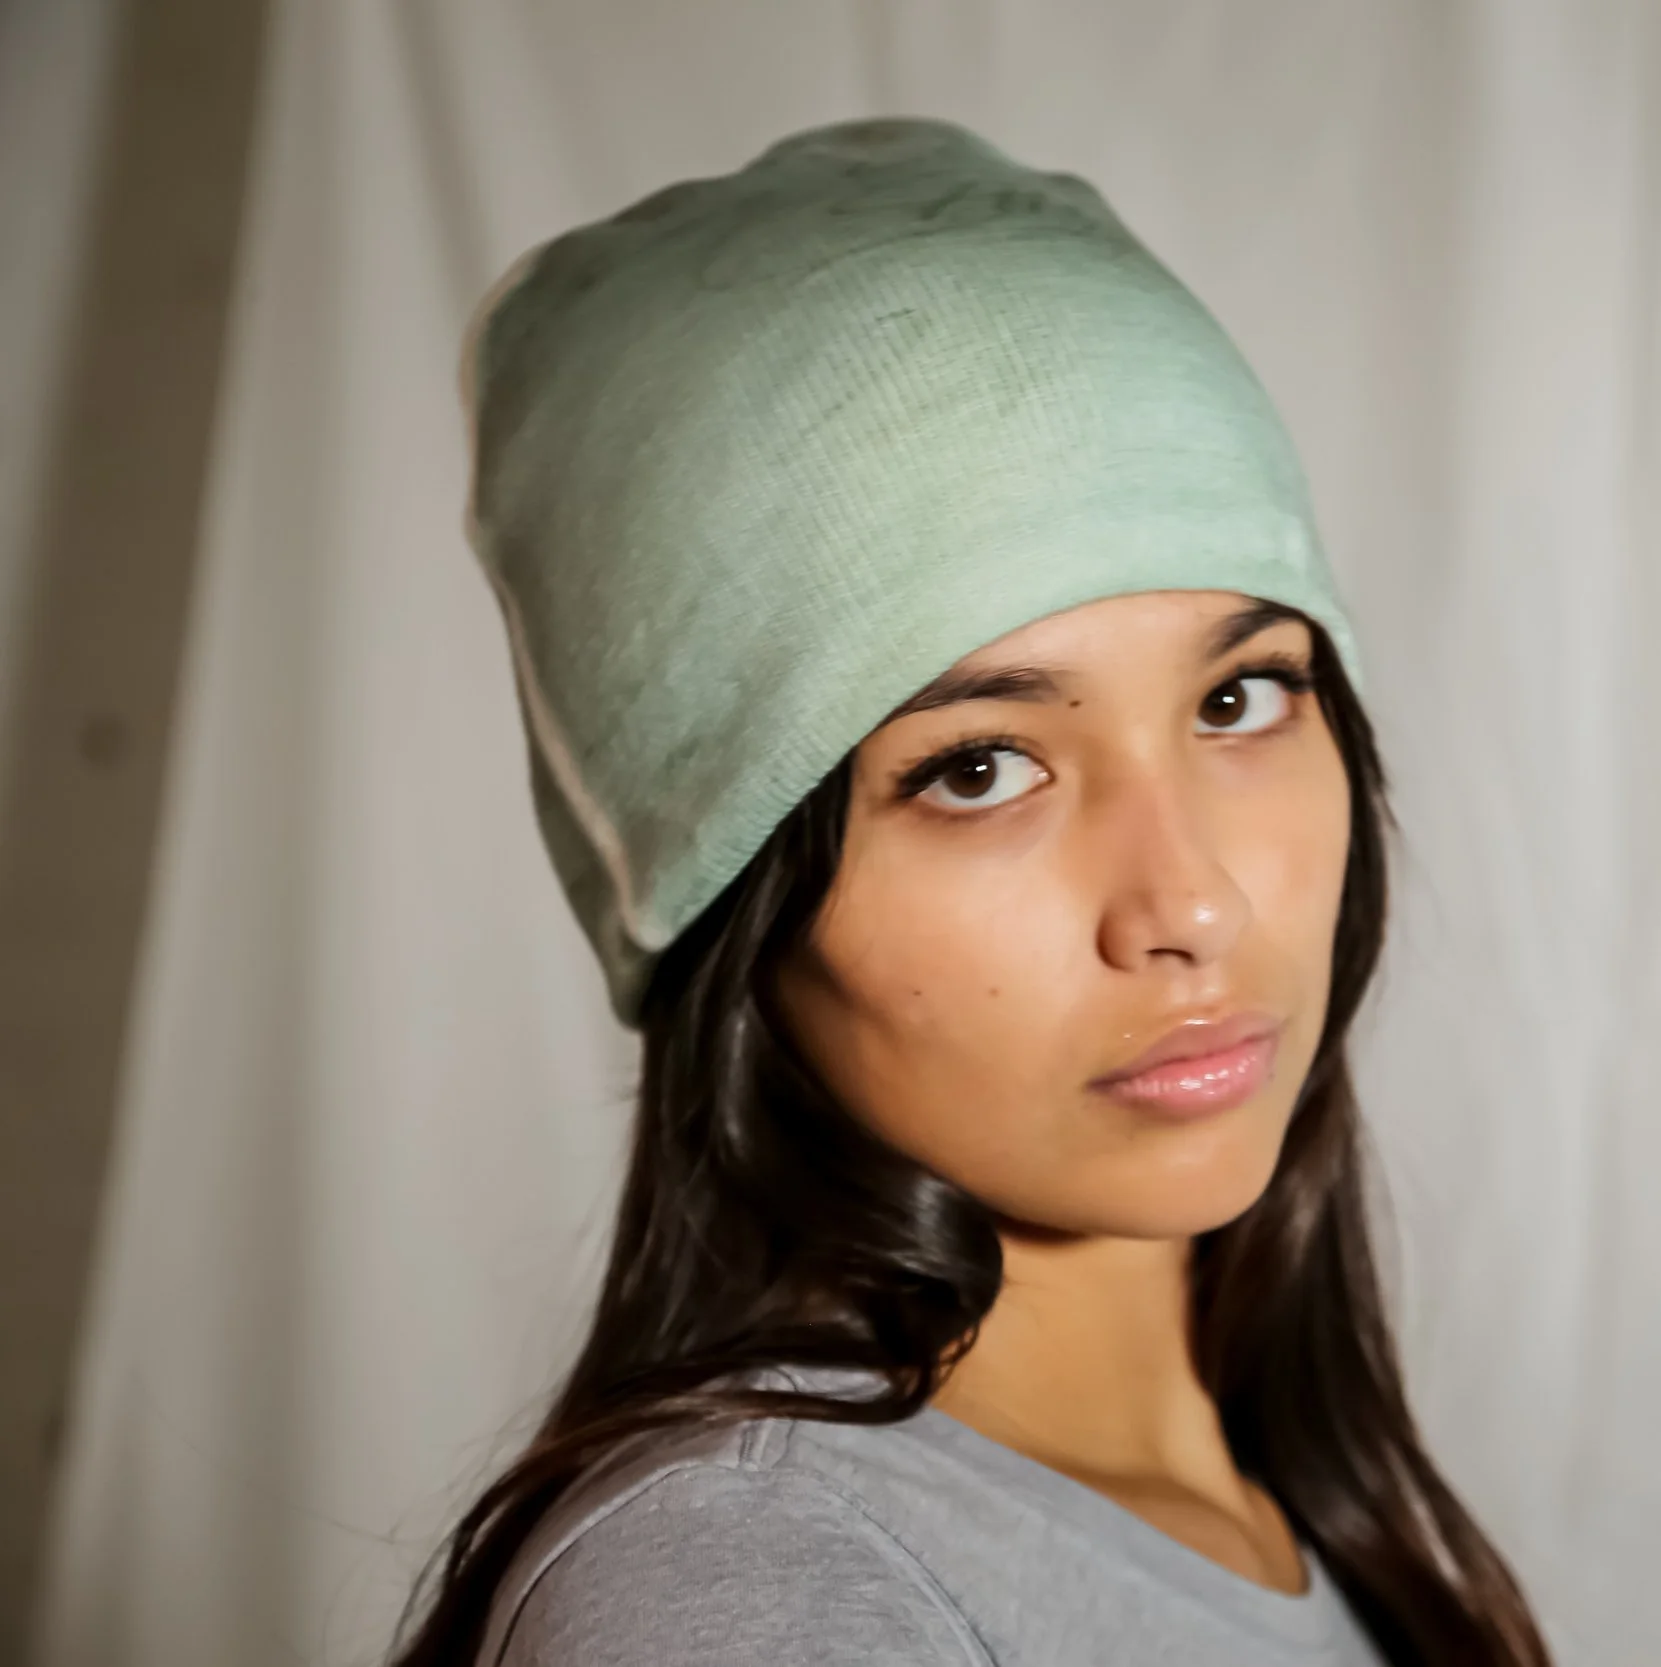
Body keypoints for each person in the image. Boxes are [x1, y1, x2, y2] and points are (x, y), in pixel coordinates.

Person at [389, 116, 1549, 1667]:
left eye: (1239, 700)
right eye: (981, 768)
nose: (1188, 903)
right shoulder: (754, 1587)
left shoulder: (1281, 1496)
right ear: (730, 897)